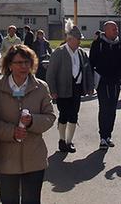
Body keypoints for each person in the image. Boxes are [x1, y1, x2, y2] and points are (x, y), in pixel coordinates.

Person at [0, 45, 56, 204]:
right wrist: (12, 132)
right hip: (5, 159)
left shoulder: (41, 87)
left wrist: (32, 121)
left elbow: (50, 117)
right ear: (9, 65)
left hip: (34, 158)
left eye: (27, 62)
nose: (24, 66)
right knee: (9, 200)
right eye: (19, 63)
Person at [46, 23, 94, 153]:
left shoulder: (81, 53)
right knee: (64, 115)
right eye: (78, 39)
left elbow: (87, 71)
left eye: (80, 39)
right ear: (70, 39)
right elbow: (51, 73)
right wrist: (53, 91)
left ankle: (69, 141)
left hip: (77, 89)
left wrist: (90, 87)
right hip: (62, 90)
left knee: (74, 115)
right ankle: (62, 140)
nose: (80, 42)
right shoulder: (59, 53)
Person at [89, 21, 121, 150]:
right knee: (104, 108)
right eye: (113, 29)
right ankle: (102, 136)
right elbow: (91, 62)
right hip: (102, 81)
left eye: (116, 29)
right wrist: (91, 81)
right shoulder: (98, 44)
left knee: (112, 109)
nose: (116, 31)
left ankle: (108, 135)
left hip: (116, 81)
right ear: (105, 30)